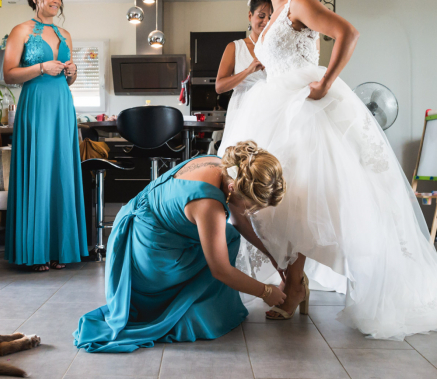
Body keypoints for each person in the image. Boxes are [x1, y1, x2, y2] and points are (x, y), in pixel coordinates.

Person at [219, 0, 437, 339]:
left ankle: (293, 286)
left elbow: (347, 33)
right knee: (278, 200)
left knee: (299, 197)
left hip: (301, 110)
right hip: (275, 106)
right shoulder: (273, 18)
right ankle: (294, 284)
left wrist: (324, 83)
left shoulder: (298, 2)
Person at [73, 142, 287, 352]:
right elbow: (221, 270)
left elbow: (239, 220)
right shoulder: (208, 205)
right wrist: (266, 292)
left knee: (228, 236)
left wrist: (272, 255)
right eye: (251, 206)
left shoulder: (223, 166)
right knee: (223, 247)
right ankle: (196, 311)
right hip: (151, 260)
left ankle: (202, 304)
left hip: (140, 234)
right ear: (233, 188)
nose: (251, 211)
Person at [217, 0, 346, 296]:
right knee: (242, 195)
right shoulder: (236, 47)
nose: (263, 20)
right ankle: (281, 272)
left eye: (268, 14)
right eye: (258, 15)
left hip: (281, 113)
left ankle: (293, 277)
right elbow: (220, 85)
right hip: (247, 114)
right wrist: (250, 69)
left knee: (287, 193)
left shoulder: (288, 24)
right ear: (249, 17)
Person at [2, 0, 88, 272]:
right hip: (36, 105)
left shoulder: (65, 34)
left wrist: (72, 72)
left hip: (62, 106)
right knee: (38, 170)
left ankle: (59, 249)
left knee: (61, 170)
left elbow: (68, 79)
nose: (56, 0)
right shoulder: (21, 31)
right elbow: (9, 75)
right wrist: (40, 67)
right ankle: (35, 250)